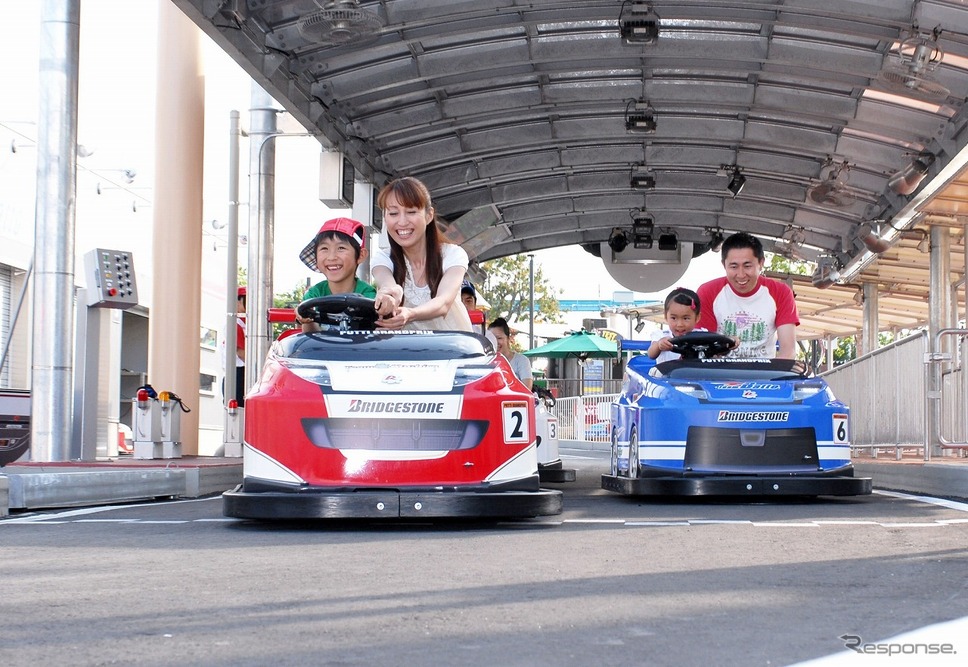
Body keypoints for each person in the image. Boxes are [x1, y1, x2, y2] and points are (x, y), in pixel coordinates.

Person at [371, 176, 473, 331]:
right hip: (405, 353)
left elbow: (443, 302)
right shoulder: (383, 259)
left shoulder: (453, 255)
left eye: (411, 212)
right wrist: (390, 293)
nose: (402, 221)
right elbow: (387, 284)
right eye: (393, 213)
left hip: (452, 349)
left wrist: (410, 314)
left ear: (429, 215)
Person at [697, 232, 799, 359]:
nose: (741, 274)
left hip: (763, 375)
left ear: (761, 263)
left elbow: (788, 352)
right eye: (734, 266)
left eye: (747, 266)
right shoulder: (707, 292)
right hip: (721, 374)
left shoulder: (781, 292)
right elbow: (705, 349)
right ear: (724, 265)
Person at [295, 217, 376, 332]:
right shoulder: (314, 294)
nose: (332, 257)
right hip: (323, 349)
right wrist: (306, 318)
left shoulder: (368, 295)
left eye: (341, 248)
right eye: (324, 248)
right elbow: (309, 336)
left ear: (360, 255)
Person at [648, 287, 704, 364]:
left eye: (686, 318)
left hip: (694, 374)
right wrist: (659, 345)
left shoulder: (702, 336)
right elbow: (651, 354)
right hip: (666, 374)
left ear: (697, 318)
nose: (680, 324)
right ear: (665, 316)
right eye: (674, 318)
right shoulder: (661, 335)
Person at [488, 317, 533, 390]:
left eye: (499, 338)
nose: (495, 342)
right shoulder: (486, 363)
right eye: (491, 339)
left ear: (508, 339)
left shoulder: (522, 361)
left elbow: (527, 389)